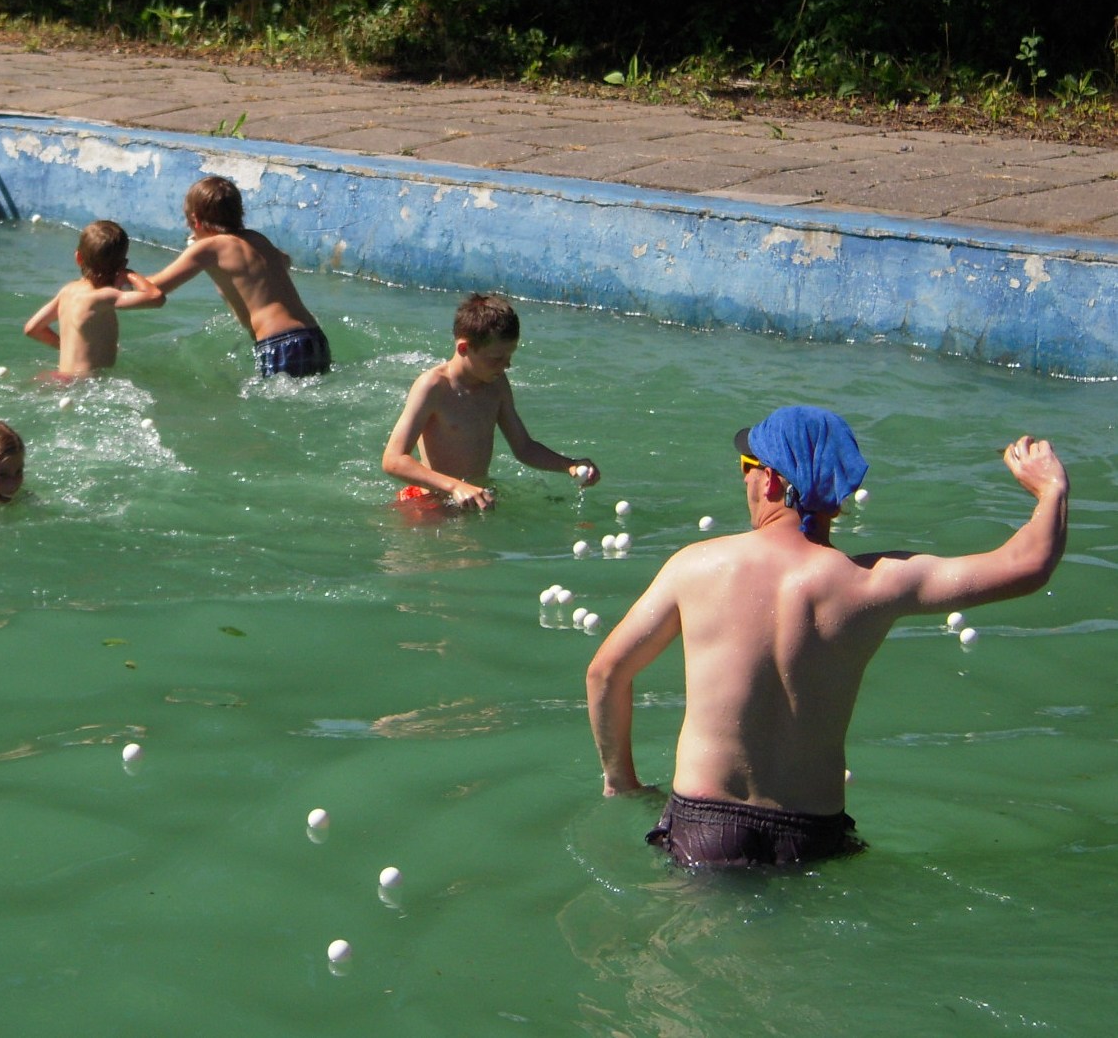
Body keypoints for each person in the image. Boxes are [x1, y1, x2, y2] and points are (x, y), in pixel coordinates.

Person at [586, 406, 1069, 868]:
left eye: (746, 467)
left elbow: (606, 673)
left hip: (705, 826)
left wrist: (621, 780)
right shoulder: (874, 583)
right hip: (812, 834)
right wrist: (1051, 489)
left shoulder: (696, 566)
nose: (744, 480)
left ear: (771, 480)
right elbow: (1027, 565)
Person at [381, 293, 599, 510]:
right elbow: (393, 459)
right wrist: (455, 487)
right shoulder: (433, 387)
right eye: (496, 358)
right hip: (431, 502)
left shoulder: (496, 384)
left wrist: (568, 465)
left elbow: (524, 447)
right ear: (464, 349)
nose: (506, 366)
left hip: (476, 498)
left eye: (509, 357)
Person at [145, 176, 330, 378]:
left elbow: (155, 287)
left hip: (279, 343)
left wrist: (122, 274)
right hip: (314, 337)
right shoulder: (257, 238)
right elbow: (284, 261)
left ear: (195, 220)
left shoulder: (208, 248)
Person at [23, 220, 165, 377]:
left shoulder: (67, 291)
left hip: (61, 377)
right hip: (85, 382)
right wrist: (129, 273)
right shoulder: (104, 297)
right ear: (123, 264)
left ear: (78, 258)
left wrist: (66, 347)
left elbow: (32, 328)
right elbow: (156, 297)